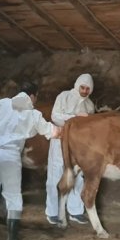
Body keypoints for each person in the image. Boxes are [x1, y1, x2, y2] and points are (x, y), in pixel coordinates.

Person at [0, 81, 60, 240]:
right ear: (32, 96)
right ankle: (12, 239)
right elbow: (52, 132)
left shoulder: (0, 104)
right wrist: (65, 129)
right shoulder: (33, 114)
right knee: (13, 196)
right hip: (10, 156)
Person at [44, 73, 95, 225]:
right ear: (77, 85)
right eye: (83, 87)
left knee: (78, 176)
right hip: (60, 141)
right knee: (55, 175)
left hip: (78, 145)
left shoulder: (90, 105)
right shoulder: (64, 96)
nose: (85, 91)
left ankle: (75, 211)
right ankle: (52, 212)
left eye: (87, 89)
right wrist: (75, 117)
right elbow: (55, 116)